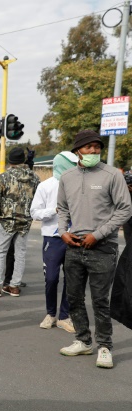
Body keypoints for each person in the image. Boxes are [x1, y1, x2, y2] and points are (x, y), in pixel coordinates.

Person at [57, 130, 132, 369]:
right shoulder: (67, 177)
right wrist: (63, 232)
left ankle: (104, 347)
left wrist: (97, 235)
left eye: (97, 147)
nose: (93, 151)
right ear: (77, 150)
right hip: (74, 245)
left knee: (100, 300)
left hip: (102, 247)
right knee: (74, 298)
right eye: (88, 147)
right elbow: (62, 209)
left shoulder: (112, 175)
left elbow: (124, 210)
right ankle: (82, 340)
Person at [0, 147, 41, 298]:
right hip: (25, 221)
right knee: (20, 253)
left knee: (0, 252)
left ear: (10, 161)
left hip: (6, 220)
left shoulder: (3, 177)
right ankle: (14, 286)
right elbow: (38, 200)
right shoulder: (35, 178)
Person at [30, 151, 77, 332]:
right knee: (51, 278)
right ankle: (50, 314)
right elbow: (34, 213)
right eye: (71, 164)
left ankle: (65, 316)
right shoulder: (46, 186)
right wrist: (54, 210)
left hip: (75, 237)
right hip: (53, 238)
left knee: (72, 279)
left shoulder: (80, 185)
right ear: (61, 165)